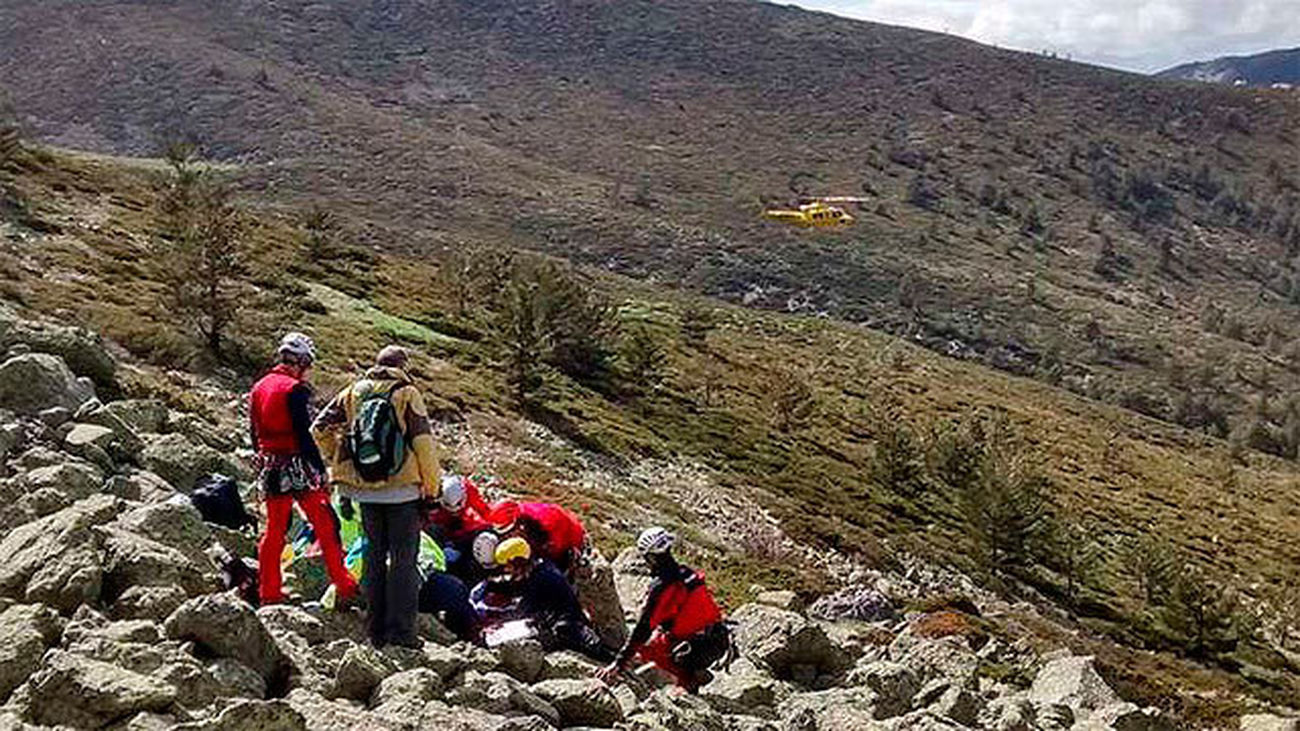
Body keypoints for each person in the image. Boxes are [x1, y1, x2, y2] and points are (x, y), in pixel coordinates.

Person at [312, 345, 441, 649]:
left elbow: (318, 428)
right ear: (402, 366)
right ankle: (402, 634)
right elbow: (423, 444)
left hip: (364, 491)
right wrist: (431, 490)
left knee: (372, 556)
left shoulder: (353, 392)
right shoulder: (407, 393)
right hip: (403, 492)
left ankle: (374, 630)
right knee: (403, 561)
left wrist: (340, 458)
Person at [249, 332, 358, 607]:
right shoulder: (295, 390)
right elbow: (303, 433)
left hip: (270, 464)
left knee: (274, 530)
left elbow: (253, 432)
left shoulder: (259, 387)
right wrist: (319, 469)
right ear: (301, 361)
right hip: (297, 465)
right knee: (325, 524)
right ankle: (343, 583)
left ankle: (269, 592)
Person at [596, 527, 728, 693]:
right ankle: (694, 673)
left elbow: (642, 630)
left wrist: (618, 664)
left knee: (648, 651)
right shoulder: (687, 573)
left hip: (695, 649)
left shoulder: (661, 587)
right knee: (649, 649)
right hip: (719, 638)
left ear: (650, 557)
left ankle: (689, 682)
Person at [492, 537, 614, 663]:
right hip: (565, 622)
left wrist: (496, 619)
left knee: (597, 652)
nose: (506, 570)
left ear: (518, 561)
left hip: (567, 628)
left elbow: (523, 610)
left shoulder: (540, 579)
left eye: (508, 566)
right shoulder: (541, 566)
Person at [426, 475, 502, 582]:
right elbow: (429, 521)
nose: (455, 512)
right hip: (443, 526)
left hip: (464, 531)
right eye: (452, 510)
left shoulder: (469, 491)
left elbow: (484, 512)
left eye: (457, 510)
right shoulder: (433, 497)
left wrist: (495, 527)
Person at [493, 500, 588, 574]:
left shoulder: (546, 527)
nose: (507, 537)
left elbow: (556, 550)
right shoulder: (515, 511)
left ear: (517, 525)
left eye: (509, 533)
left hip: (570, 540)